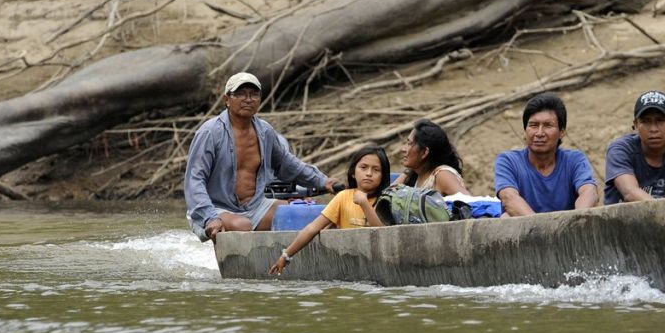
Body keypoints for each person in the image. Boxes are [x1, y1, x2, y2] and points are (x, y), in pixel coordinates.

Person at [184, 72, 340, 242]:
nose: (248, 99)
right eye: (241, 94)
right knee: (242, 225)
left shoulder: (265, 131)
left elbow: (286, 164)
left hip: (255, 206)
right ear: (226, 99)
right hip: (215, 208)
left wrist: (323, 181)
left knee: (314, 216)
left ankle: (288, 260)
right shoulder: (210, 132)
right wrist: (209, 216)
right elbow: (194, 179)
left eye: (254, 94)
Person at [268, 146, 390, 275]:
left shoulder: (386, 199)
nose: (369, 173)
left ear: (382, 176)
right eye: (363, 167)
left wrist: (364, 203)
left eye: (376, 170)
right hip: (349, 264)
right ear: (353, 172)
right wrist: (286, 255)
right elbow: (312, 228)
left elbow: (381, 234)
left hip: (377, 265)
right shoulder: (343, 197)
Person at [494, 92, 598, 216]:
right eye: (533, 125)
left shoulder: (575, 160)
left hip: (566, 230)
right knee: (506, 216)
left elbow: (589, 192)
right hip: (524, 231)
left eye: (548, 125)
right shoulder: (508, 161)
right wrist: (543, 229)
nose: (539, 133)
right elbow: (509, 198)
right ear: (525, 131)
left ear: (562, 132)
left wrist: (577, 220)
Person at [393, 119, 470, 196]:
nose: (403, 149)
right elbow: (387, 196)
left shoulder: (442, 175)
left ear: (424, 152)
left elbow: (471, 203)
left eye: (409, 143)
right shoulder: (414, 174)